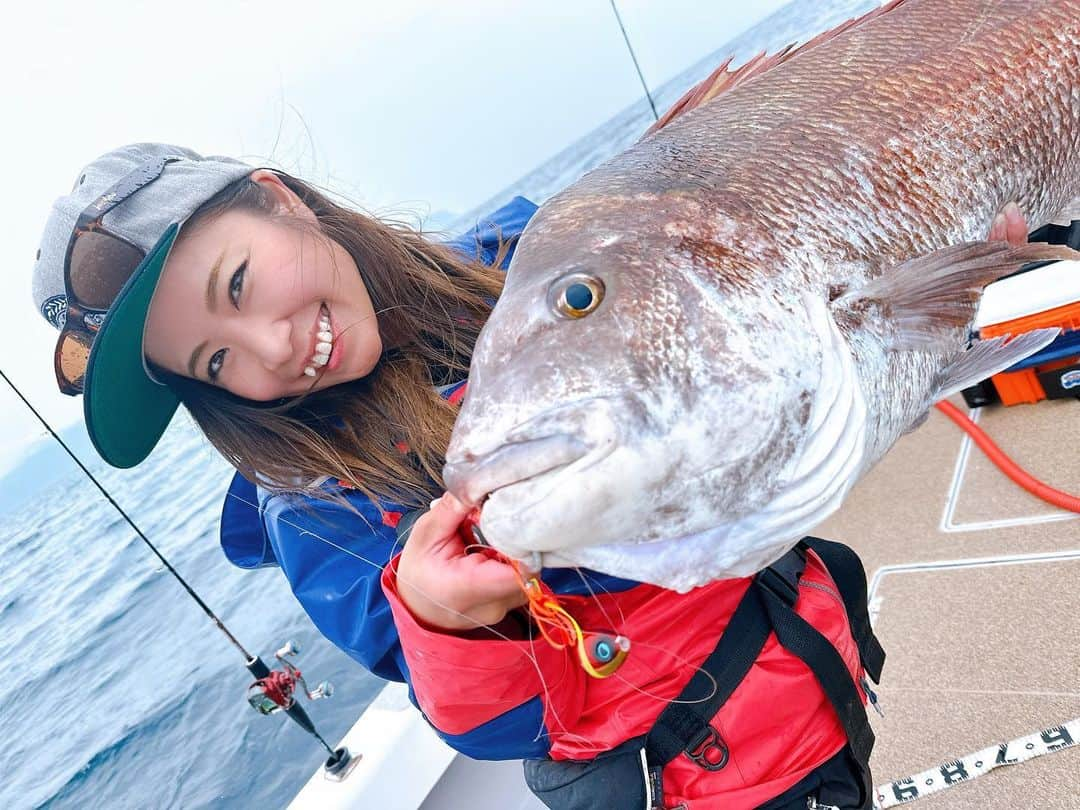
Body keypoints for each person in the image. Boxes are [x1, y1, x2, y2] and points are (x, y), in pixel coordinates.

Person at [34, 141, 1031, 808]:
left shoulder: (528, 259)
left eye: (238, 284)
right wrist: (442, 622)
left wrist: (929, 288)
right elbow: (497, 716)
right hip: (693, 780)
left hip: (810, 673)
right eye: (215, 364)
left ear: (278, 199)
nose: (272, 346)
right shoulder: (318, 525)